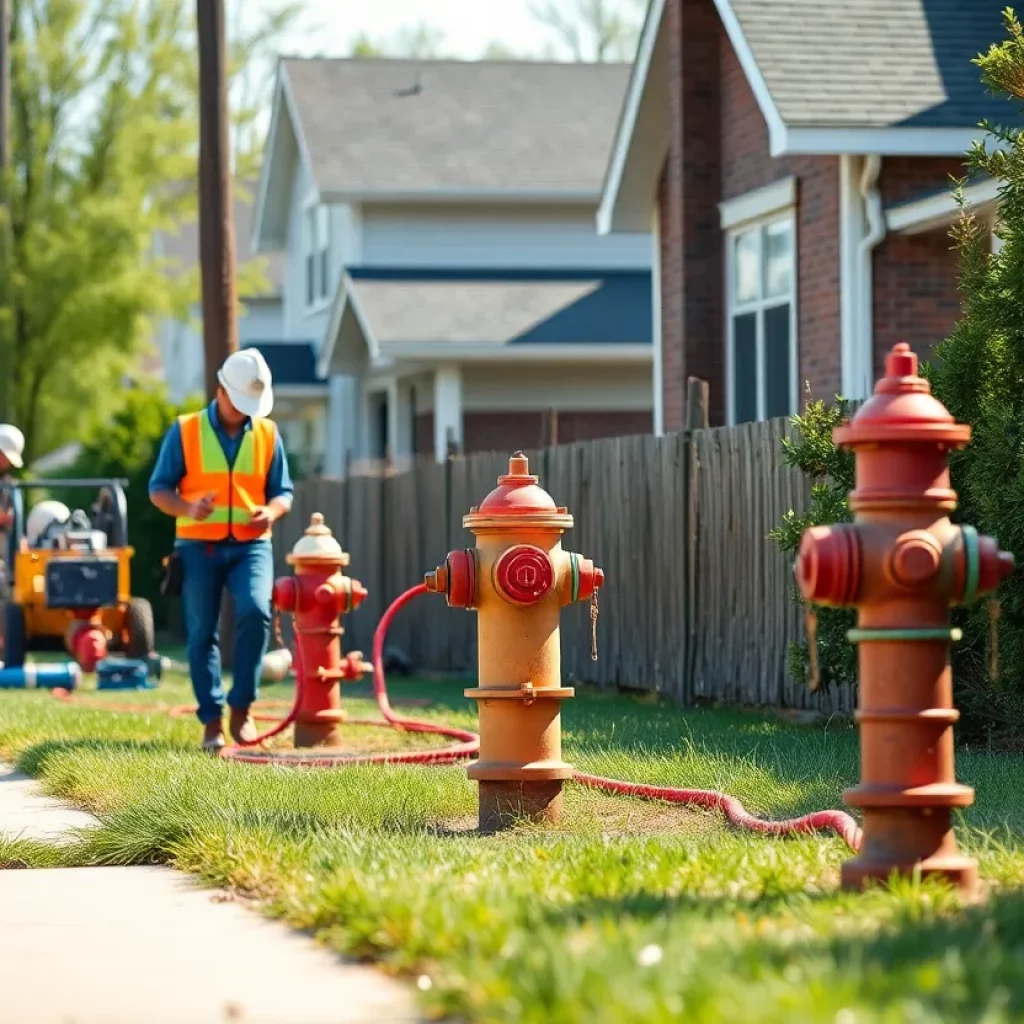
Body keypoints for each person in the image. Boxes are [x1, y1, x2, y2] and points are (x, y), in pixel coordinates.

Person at [149, 349, 293, 751]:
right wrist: (187, 508)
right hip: (198, 547)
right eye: (238, 403)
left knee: (255, 611)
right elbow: (158, 490)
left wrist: (273, 510)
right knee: (201, 634)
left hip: (251, 547)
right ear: (220, 391)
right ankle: (211, 721)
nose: (244, 412)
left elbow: (284, 491)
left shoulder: (267, 434)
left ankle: (242, 711)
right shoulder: (186, 431)